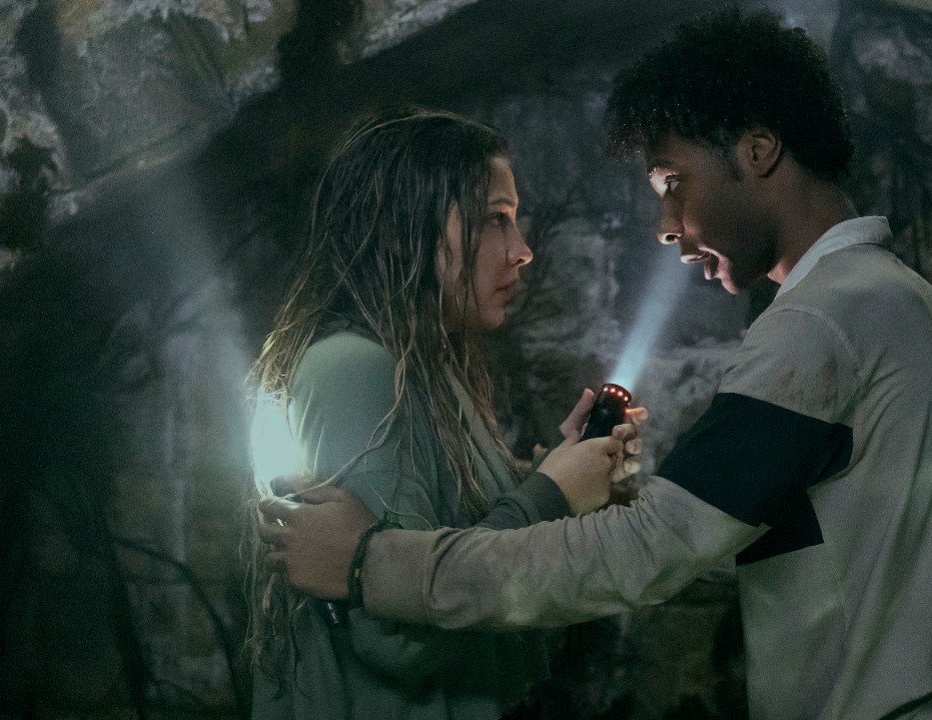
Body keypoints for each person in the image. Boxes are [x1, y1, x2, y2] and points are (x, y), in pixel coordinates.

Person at [260, 10, 932, 719]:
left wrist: (370, 565)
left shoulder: (828, 316)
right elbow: (788, 550)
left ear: (756, 152)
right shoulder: (894, 298)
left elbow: (657, 549)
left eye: (671, 182)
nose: (663, 225)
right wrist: (592, 501)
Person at [244, 107, 637, 720]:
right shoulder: (354, 370)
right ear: (407, 228)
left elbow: (446, 553)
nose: (522, 251)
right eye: (494, 221)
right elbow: (397, 637)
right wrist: (549, 495)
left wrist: (559, 475)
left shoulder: (425, 368)